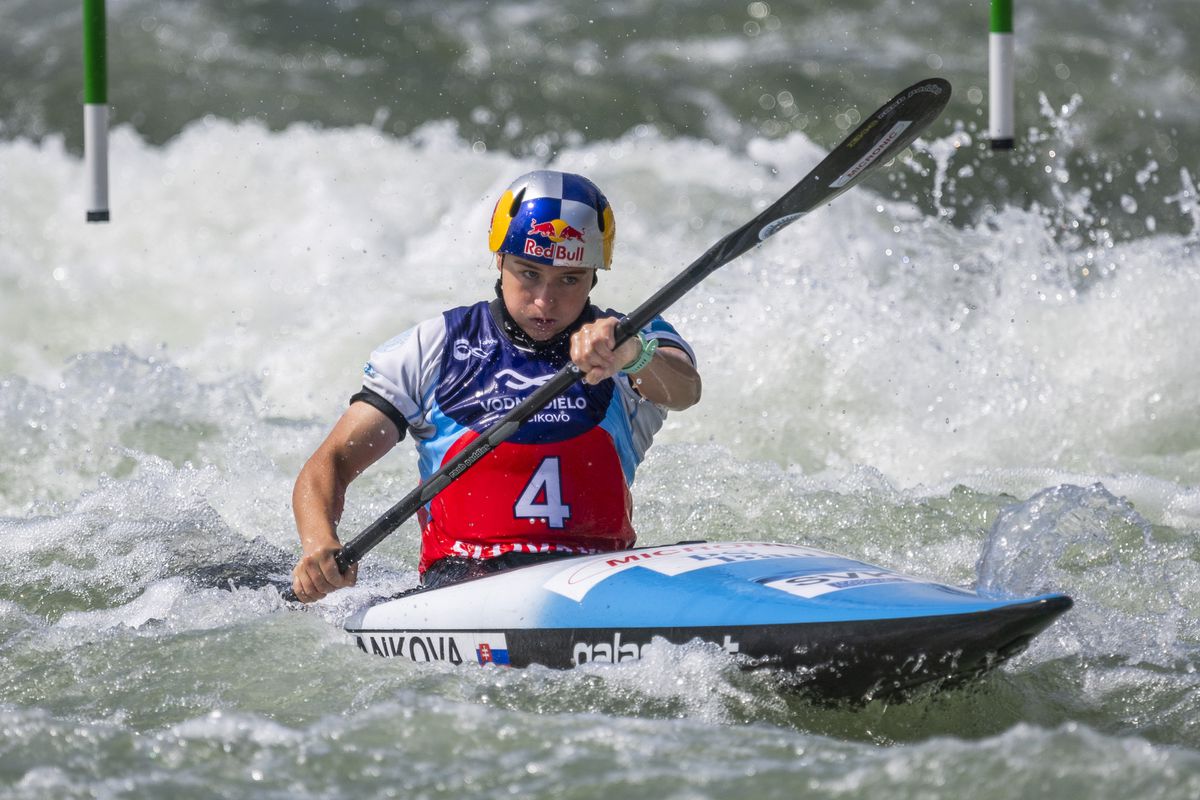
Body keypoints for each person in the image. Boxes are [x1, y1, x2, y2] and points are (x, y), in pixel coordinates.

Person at [290, 170, 702, 602]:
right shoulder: (433, 348)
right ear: (500, 260)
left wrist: (634, 354)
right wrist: (320, 545)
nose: (545, 300)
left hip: (598, 579)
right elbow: (331, 462)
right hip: (464, 582)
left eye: (569, 279)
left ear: (593, 276)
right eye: (529, 274)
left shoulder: (631, 341)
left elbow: (686, 391)